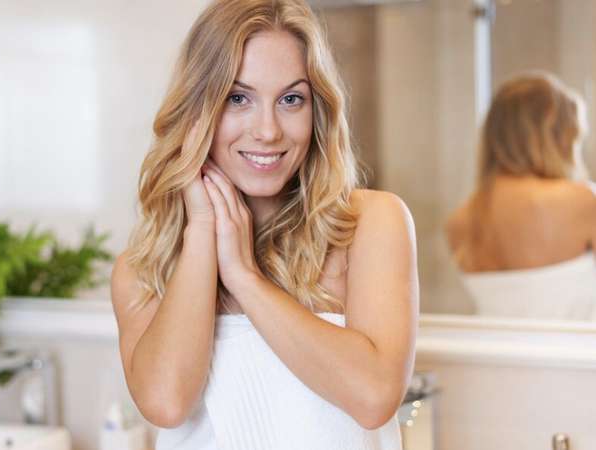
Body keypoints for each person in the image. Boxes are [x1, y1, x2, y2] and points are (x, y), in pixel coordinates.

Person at [110, 1, 419, 448]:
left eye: (291, 99)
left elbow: (374, 398)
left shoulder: (369, 224)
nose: (269, 130)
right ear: (197, 111)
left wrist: (244, 276)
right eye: (238, 99)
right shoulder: (142, 271)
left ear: (317, 111)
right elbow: (166, 404)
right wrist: (202, 230)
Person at [446, 72, 596, 320]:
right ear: (559, 135)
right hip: (575, 347)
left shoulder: (459, 221)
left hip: (492, 345)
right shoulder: (583, 200)